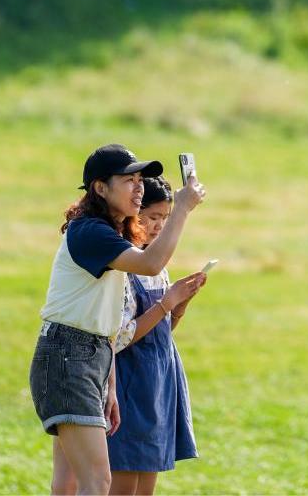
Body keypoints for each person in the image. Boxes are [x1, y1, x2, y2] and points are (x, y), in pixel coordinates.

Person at [30, 144, 204, 495]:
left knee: (80, 482)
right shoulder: (90, 232)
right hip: (68, 356)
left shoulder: (109, 236)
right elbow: (151, 263)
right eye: (128, 180)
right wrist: (182, 208)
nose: (139, 187)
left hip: (92, 357)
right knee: (96, 481)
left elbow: (106, 321)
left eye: (141, 180)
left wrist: (109, 384)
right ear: (100, 188)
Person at [107, 176, 207, 495]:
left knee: (147, 485)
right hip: (128, 384)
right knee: (123, 482)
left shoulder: (157, 265)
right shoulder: (125, 264)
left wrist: (180, 305)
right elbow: (121, 337)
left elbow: (161, 332)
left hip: (158, 385)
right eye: (152, 217)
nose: (159, 226)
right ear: (132, 213)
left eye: (165, 218)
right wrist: (166, 303)